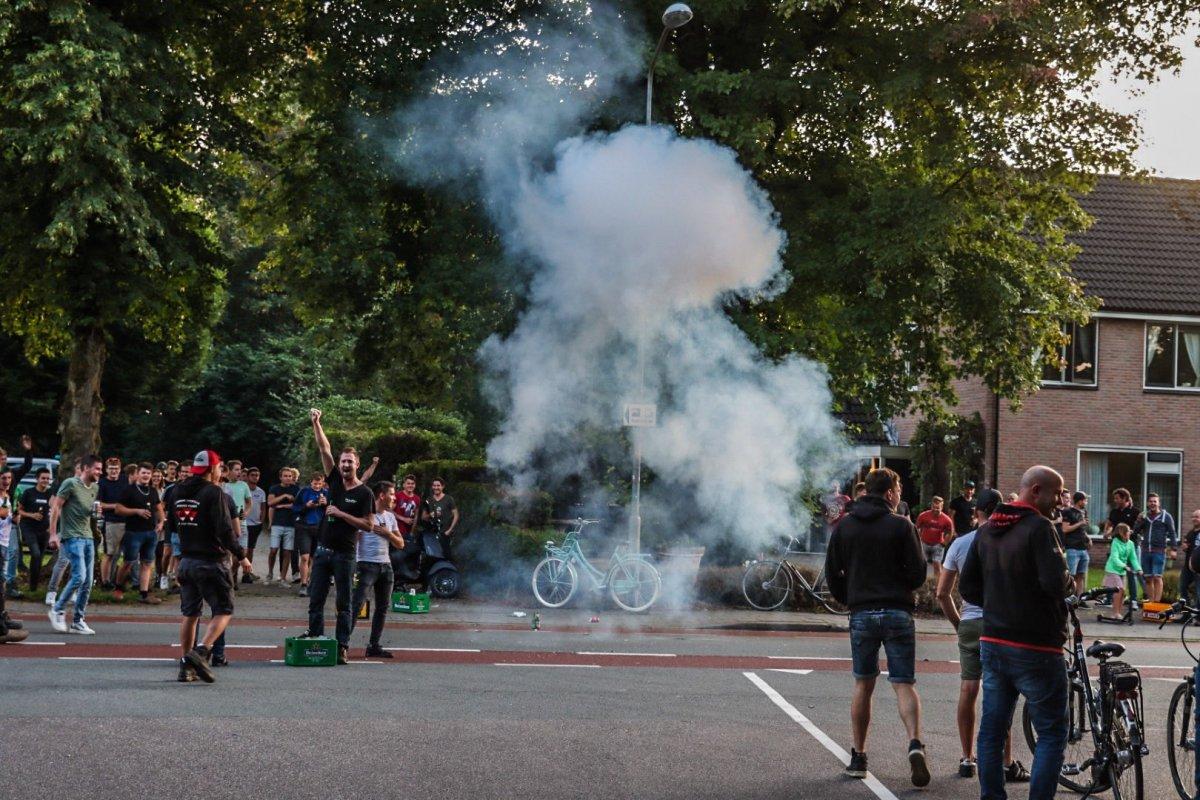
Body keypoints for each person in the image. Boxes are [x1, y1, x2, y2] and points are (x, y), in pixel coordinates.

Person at [960, 465, 1070, 800]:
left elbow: (967, 586)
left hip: (994, 641)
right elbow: (1055, 583)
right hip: (1037, 646)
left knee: (992, 729)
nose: (1060, 502)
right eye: (1057, 493)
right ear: (1036, 490)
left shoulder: (988, 528)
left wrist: (997, 604)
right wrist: (1066, 580)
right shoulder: (1039, 528)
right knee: (1051, 733)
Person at [824, 467, 929, 787]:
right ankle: (914, 743)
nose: (900, 496)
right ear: (888, 493)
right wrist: (903, 587)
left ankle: (859, 756)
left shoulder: (845, 527)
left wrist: (850, 599)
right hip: (897, 612)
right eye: (898, 490)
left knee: (863, 685)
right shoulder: (901, 525)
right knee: (903, 683)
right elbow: (919, 573)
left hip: (862, 613)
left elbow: (832, 573)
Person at [935, 488, 1030, 783]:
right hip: (1000, 623)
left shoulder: (960, 544)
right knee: (1000, 692)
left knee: (968, 688)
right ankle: (1005, 761)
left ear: (976, 512)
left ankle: (967, 758)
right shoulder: (1007, 541)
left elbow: (942, 593)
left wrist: (958, 623)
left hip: (970, 621)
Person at [168, 450, 253, 683]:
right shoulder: (214, 492)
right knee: (224, 610)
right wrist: (242, 556)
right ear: (212, 469)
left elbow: (173, 526)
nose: (220, 472)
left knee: (190, 613)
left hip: (186, 560)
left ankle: (185, 666)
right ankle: (202, 651)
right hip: (211, 561)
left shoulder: (176, 490)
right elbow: (225, 531)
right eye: (219, 468)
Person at [306, 408, 374, 666]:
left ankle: (342, 646)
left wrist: (343, 514)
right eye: (343, 461)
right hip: (323, 551)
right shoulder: (333, 481)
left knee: (344, 604)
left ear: (358, 464)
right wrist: (316, 423)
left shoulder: (364, 493)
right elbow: (324, 449)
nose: (345, 465)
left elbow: (368, 525)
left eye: (349, 462)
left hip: (345, 555)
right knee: (315, 600)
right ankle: (315, 637)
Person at [48, 455, 104, 635]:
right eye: (97, 469)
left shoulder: (95, 487)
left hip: (88, 537)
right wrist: (53, 534)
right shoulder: (70, 483)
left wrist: (96, 514)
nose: (99, 472)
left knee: (87, 582)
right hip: (72, 536)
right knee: (79, 576)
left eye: (100, 469)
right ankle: (57, 609)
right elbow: (56, 507)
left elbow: (88, 513)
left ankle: (78, 620)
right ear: (86, 468)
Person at [351, 481, 405, 658]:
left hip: (385, 566)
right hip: (366, 565)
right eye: (392, 494)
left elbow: (401, 543)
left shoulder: (390, 517)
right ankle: (343, 643)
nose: (394, 498)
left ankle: (374, 645)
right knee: (356, 604)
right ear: (382, 495)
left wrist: (388, 534)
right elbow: (354, 540)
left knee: (382, 607)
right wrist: (353, 566)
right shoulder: (366, 514)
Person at [113, 462, 164, 604]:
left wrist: (161, 522)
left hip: (150, 533)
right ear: (137, 474)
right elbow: (118, 509)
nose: (146, 475)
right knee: (128, 562)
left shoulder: (153, 491)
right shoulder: (129, 490)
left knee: (147, 563)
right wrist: (136, 511)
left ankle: (144, 594)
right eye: (143, 473)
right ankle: (118, 588)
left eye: (148, 473)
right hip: (133, 532)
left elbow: (159, 507)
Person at [2, 436, 34, 598]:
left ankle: (10, 584)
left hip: (9, 519)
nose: (3, 461)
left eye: (4, 459)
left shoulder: (12, 474)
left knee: (13, 551)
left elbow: (27, 466)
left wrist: (28, 451)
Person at [16, 468, 55, 597]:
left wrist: (51, 527)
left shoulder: (50, 493)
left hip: (44, 530)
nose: (46, 481)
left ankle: (34, 586)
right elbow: (19, 511)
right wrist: (31, 515)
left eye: (48, 478)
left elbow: (55, 510)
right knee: (36, 554)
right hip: (28, 527)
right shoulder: (28, 492)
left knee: (39, 557)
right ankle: (32, 586)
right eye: (43, 478)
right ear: (37, 479)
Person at [1134, 492, 1176, 604]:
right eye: (1150, 501)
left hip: (1159, 551)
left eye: (1155, 501)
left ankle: (1157, 603)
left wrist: (1173, 549)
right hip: (1145, 551)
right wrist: (1139, 520)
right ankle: (1151, 602)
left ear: (1158, 503)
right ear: (1148, 503)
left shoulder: (1166, 516)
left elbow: (1172, 533)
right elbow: (1135, 532)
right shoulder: (1144, 516)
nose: (1152, 503)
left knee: (1157, 577)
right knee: (1148, 578)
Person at [1104, 488, 1144, 603]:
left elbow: (1140, 528)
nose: (1115, 500)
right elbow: (1110, 523)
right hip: (1117, 546)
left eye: (1117, 498)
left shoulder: (1136, 512)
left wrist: (1132, 532)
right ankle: (1109, 598)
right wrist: (1106, 531)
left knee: (1132, 573)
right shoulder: (1114, 512)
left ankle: (1133, 599)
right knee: (1113, 572)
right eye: (1115, 498)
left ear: (1124, 498)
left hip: (1132, 545)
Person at [0, 470, 26, 642]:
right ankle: (1, 622)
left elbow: (11, 519)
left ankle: (2, 618)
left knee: (1, 582)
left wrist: (16, 515)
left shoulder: (7, 497)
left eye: (9, 478)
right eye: (3, 478)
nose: (7, 481)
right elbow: (2, 514)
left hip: (4, 542)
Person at [294, 472, 328, 597]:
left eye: (320, 484)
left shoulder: (326, 493)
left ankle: (311, 582)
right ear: (311, 482)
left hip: (319, 528)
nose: (317, 486)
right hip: (304, 527)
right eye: (315, 483)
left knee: (315, 558)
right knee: (304, 557)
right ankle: (303, 584)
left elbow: (332, 511)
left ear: (323, 483)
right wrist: (306, 506)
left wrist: (325, 504)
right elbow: (295, 508)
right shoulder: (303, 492)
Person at [1100, 523, 1142, 621]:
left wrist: (1139, 569)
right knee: (1118, 590)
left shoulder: (1130, 543)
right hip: (1113, 570)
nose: (1130, 532)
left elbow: (1133, 558)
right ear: (1123, 533)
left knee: (1122, 592)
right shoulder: (1115, 542)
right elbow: (1114, 558)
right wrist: (1124, 566)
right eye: (1128, 531)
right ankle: (1115, 613)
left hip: (1121, 571)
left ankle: (1118, 613)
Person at [97, 456, 129, 589]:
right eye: (111, 469)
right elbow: (99, 504)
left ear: (120, 469)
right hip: (111, 522)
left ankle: (121, 581)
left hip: (128, 521)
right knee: (109, 553)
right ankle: (105, 582)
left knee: (129, 555)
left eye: (116, 468)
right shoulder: (102, 483)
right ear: (106, 470)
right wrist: (115, 506)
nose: (114, 471)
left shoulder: (125, 480)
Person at [266, 467, 300, 584]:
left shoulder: (296, 489)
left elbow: (299, 504)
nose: (288, 478)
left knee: (287, 552)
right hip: (277, 523)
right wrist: (284, 496)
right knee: (273, 550)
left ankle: (283, 578)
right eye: (285, 476)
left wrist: (282, 506)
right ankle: (270, 573)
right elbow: (270, 503)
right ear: (280, 477)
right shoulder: (274, 488)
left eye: (290, 476)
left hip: (291, 524)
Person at [1060, 491, 1091, 598]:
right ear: (1080, 501)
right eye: (1085, 500)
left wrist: (1088, 538)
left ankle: (1080, 599)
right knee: (1071, 576)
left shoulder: (1084, 512)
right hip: (1072, 548)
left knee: (1081, 575)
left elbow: (1082, 529)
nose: (1086, 502)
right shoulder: (1068, 512)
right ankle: (1068, 598)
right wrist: (1080, 523)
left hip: (1083, 548)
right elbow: (1065, 529)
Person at [238, 467, 266, 584]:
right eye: (253, 475)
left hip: (255, 524)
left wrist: (262, 520)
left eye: (257, 475)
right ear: (248, 476)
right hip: (243, 523)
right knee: (240, 549)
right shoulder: (242, 489)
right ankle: (233, 572)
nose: (255, 477)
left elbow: (263, 508)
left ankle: (247, 573)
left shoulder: (261, 492)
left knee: (250, 549)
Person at [916, 496, 954, 578]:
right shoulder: (923, 515)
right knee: (922, 563)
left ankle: (938, 586)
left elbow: (951, 532)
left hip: (938, 544)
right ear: (931, 506)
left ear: (942, 507)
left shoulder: (947, 520)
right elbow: (917, 528)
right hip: (924, 542)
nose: (935, 509)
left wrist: (945, 543)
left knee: (937, 564)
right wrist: (918, 540)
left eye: (937, 508)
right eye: (933, 507)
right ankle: (922, 584)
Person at [391, 475, 421, 576]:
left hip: (408, 532)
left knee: (411, 552)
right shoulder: (398, 496)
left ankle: (407, 576)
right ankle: (396, 577)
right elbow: (390, 510)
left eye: (412, 484)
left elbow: (416, 516)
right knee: (397, 554)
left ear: (415, 485)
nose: (410, 485)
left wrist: (412, 531)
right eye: (408, 483)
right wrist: (403, 518)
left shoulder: (417, 499)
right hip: (397, 530)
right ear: (404, 485)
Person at [422, 478, 459, 542]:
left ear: (443, 486)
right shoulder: (428, 500)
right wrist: (430, 515)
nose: (436, 487)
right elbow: (423, 517)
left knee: (446, 551)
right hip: (432, 533)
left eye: (438, 485)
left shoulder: (449, 499)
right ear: (432, 487)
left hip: (446, 533)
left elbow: (456, 515)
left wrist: (450, 530)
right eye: (434, 485)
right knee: (433, 552)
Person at [1179, 509, 1200, 607]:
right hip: (1188, 566)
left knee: (1199, 592)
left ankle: (1198, 617)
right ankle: (1186, 614)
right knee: (1182, 588)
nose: (1194, 519)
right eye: (1193, 517)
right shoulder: (1190, 532)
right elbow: (1187, 546)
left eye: (1197, 517)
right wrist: (1184, 547)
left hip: (1199, 567)